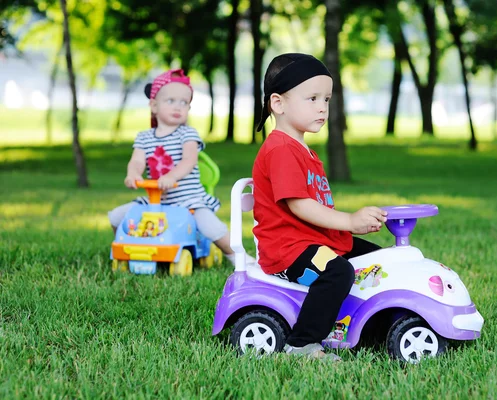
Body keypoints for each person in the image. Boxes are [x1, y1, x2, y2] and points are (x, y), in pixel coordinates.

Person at [252, 54, 387, 361]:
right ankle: (301, 343)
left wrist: (351, 227)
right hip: (289, 249)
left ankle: (367, 321)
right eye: (311, 98)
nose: (322, 107)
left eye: (326, 99)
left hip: (313, 239)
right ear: (278, 103)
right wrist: (349, 221)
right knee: (337, 273)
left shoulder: (301, 149)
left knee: (378, 260)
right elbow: (300, 205)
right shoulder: (280, 149)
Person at [108, 69, 251, 266]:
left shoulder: (187, 134)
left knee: (211, 228)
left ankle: (235, 256)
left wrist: (172, 176)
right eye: (171, 101)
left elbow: (189, 160)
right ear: (154, 105)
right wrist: (133, 174)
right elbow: (137, 161)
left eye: (184, 103)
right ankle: (127, 246)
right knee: (117, 216)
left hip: (189, 200)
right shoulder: (144, 137)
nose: (178, 107)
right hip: (155, 202)